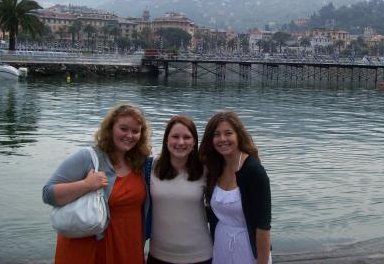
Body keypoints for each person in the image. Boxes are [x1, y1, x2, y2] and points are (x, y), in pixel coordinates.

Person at [42, 104, 152, 264]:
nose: (129, 135)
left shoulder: (140, 163)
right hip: (89, 249)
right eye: (123, 129)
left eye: (135, 131)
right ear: (110, 129)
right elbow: (48, 194)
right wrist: (86, 185)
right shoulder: (88, 157)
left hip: (128, 246)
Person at [199, 111, 271, 264]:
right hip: (221, 245)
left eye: (228, 133)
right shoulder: (215, 168)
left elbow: (263, 225)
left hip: (248, 248)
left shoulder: (253, 171)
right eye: (216, 134)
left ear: (238, 136)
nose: (222, 139)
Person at [147, 115, 212, 264]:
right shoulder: (150, 167)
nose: (181, 142)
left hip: (200, 256)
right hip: (158, 255)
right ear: (166, 140)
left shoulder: (205, 169)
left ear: (194, 141)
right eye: (175, 136)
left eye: (187, 137)